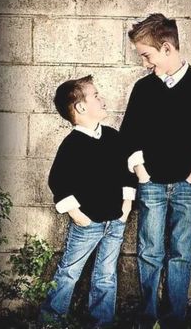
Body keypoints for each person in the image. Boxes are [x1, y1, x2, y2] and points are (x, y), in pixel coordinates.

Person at [119, 13, 191, 329]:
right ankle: (149, 316)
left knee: (180, 252)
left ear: (167, 48)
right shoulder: (143, 89)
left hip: (186, 185)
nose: (144, 63)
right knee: (150, 251)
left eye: (146, 55)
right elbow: (129, 136)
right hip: (150, 184)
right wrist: (142, 174)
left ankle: (174, 319)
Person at [39, 75, 136, 329]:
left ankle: (101, 322)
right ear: (81, 108)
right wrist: (76, 214)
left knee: (106, 276)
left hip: (115, 222)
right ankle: (51, 321)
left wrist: (126, 206)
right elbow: (58, 181)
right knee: (69, 273)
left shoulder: (113, 138)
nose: (102, 99)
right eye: (95, 95)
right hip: (87, 225)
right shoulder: (72, 145)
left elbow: (127, 171)